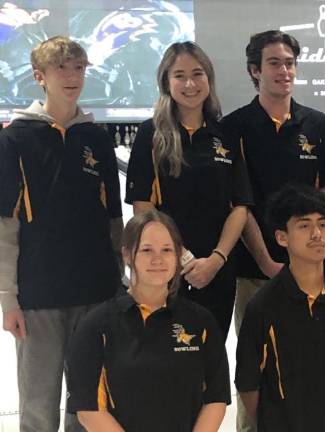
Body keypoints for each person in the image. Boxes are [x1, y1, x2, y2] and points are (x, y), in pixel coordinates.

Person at [0, 36, 122, 432]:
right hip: (39, 298)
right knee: (38, 404)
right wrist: (8, 298)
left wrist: (120, 283)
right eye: (61, 68)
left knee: (86, 403)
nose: (73, 76)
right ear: (40, 76)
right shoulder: (14, 139)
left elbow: (113, 223)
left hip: (96, 294)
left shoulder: (98, 140)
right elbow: (6, 225)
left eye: (79, 68)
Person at [224, 30, 325, 431]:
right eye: (273, 63)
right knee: (258, 366)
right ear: (255, 70)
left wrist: (306, 257)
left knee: (311, 364)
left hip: (313, 273)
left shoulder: (318, 125)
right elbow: (242, 203)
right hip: (255, 273)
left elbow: (322, 199)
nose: (283, 71)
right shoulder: (234, 127)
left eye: (289, 63)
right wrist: (269, 261)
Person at [125, 41, 252, 340]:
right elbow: (143, 207)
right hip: (166, 269)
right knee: (166, 356)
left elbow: (240, 207)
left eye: (198, 74)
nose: (190, 83)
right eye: (179, 75)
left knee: (210, 354)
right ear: (167, 82)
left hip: (218, 270)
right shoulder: (151, 135)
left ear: (209, 79)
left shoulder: (227, 135)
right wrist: (182, 259)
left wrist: (216, 260)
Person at [67, 210, 229, 431]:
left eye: (166, 250)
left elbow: (216, 398)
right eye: (146, 250)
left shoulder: (200, 321)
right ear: (126, 254)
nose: (157, 259)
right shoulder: (96, 326)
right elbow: (88, 410)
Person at [235, 183, 325, 432]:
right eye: (304, 226)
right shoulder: (262, 307)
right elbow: (248, 386)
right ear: (282, 237)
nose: (317, 234)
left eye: (322, 224)